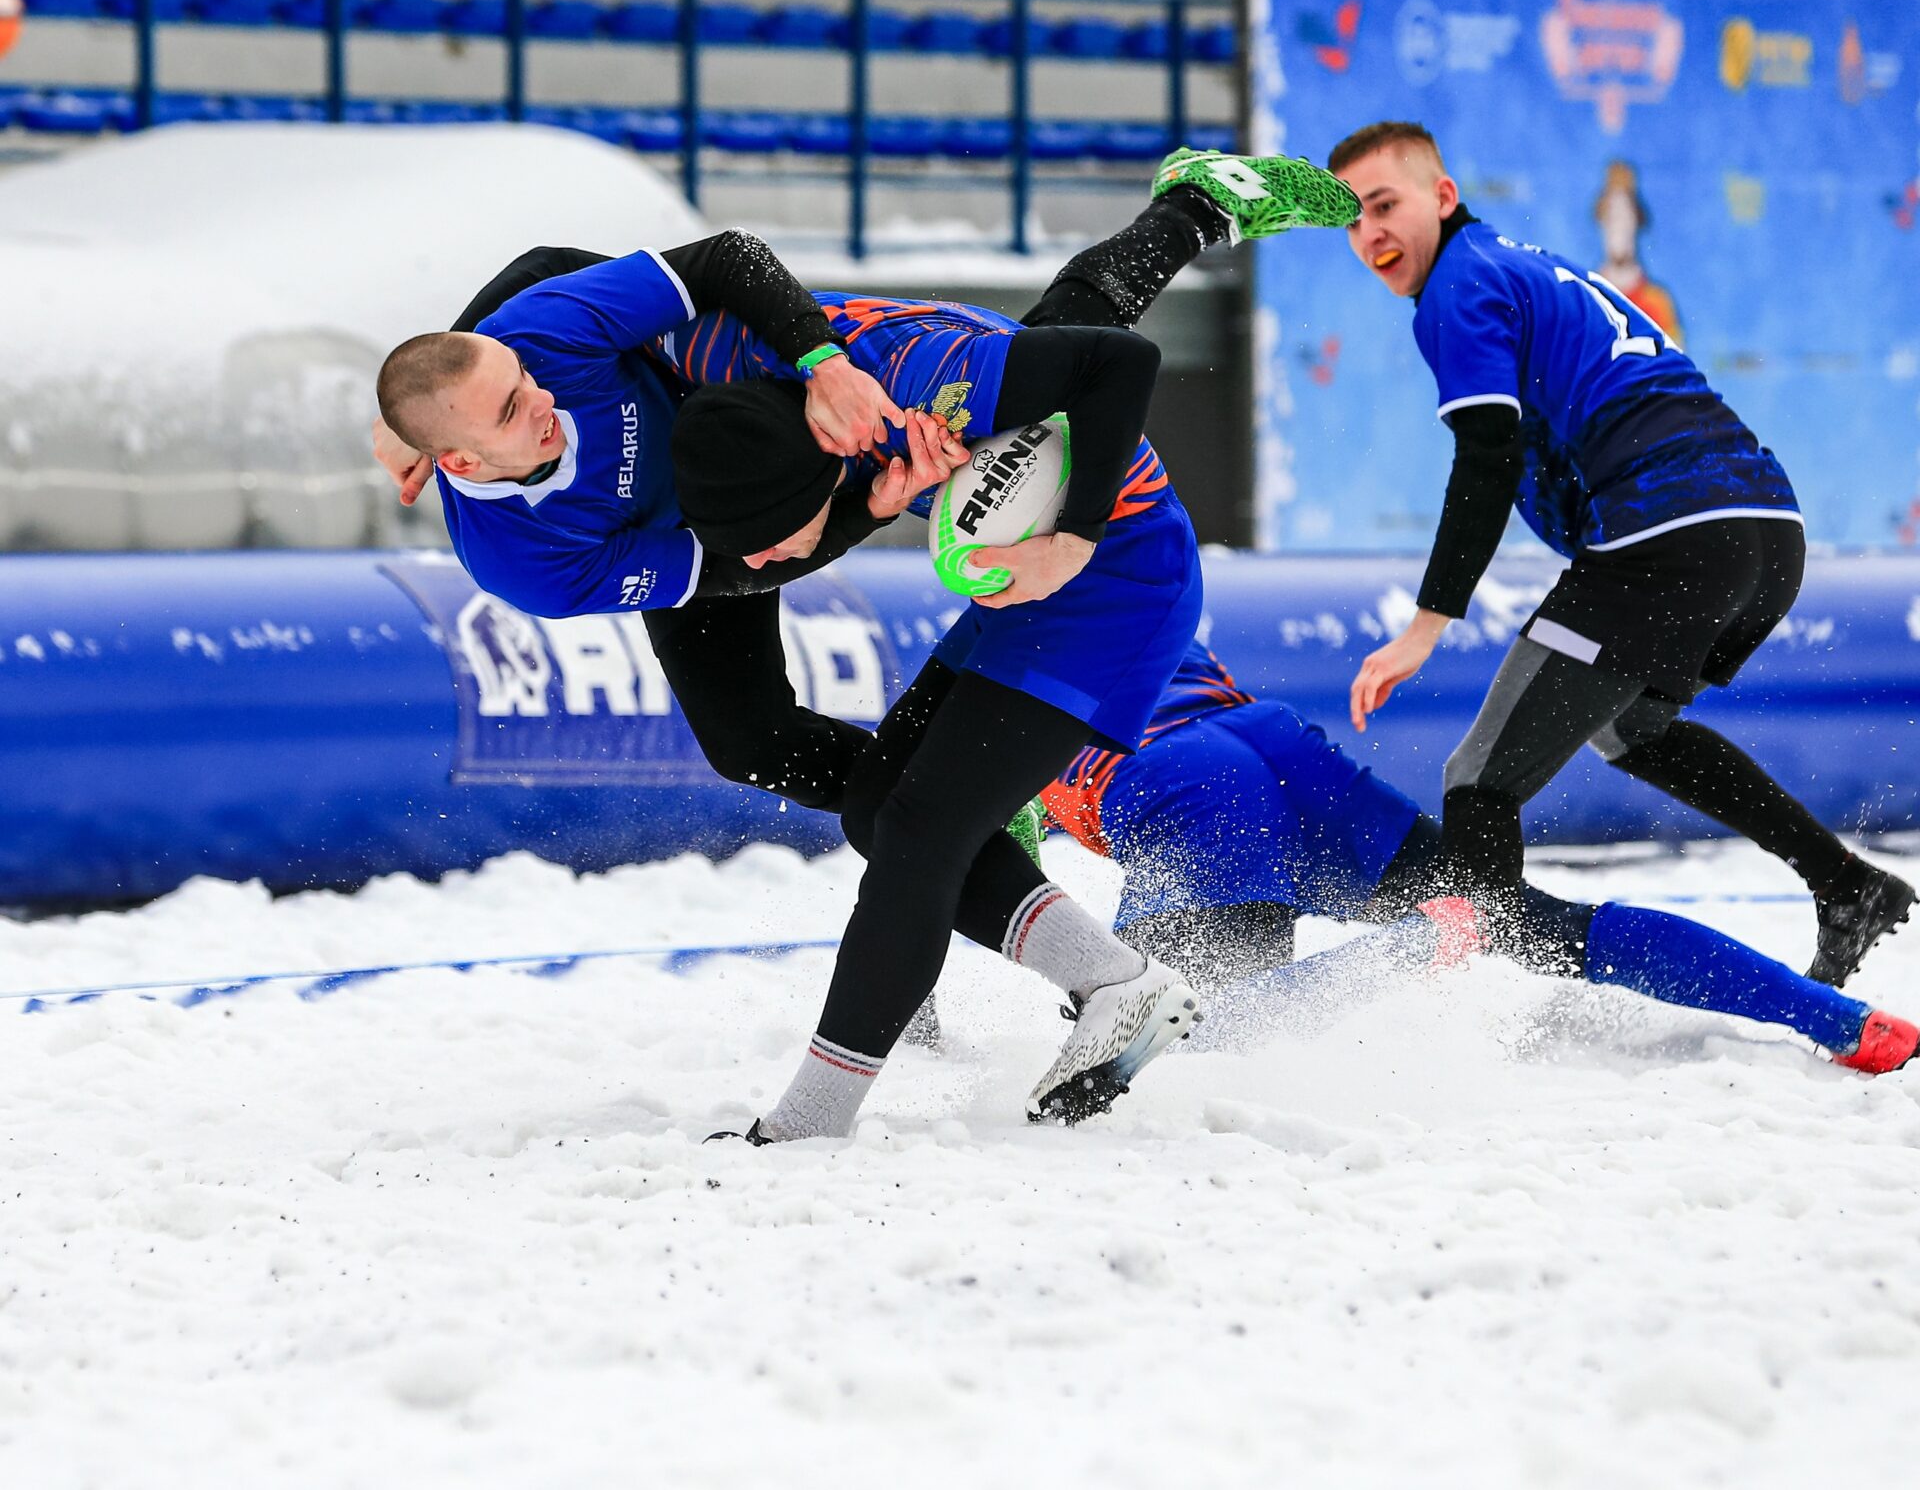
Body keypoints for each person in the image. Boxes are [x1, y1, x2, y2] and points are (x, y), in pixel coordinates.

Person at [370, 146, 1363, 1137]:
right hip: (730, 507)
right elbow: (734, 561)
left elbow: (679, 261)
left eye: (518, 381)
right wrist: (839, 521)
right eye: (503, 410)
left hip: (803, 433)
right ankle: (1011, 882)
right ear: (457, 457)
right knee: (772, 750)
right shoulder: (523, 554)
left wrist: (825, 372)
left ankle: (1196, 207)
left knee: (1032, 384)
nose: (535, 396)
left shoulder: (561, 339)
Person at [1328, 121, 1912, 989]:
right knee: (1630, 727)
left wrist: (1425, 626)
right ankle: (1846, 884)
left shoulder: (1460, 285)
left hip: (1669, 535)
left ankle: (1478, 1019)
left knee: (1478, 782)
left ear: (1442, 198)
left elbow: (1487, 458)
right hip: (1765, 529)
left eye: (1384, 205)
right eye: (1351, 218)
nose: (1370, 232)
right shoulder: (1522, 264)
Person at [1037, 639, 1919, 1074]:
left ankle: (1419, 943)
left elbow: (971, 869)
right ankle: (1843, 1022)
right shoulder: (1124, 586)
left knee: (1179, 1043)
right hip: (1278, 744)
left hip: (1182, 782)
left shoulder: (986, 678)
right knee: (1548, 925)